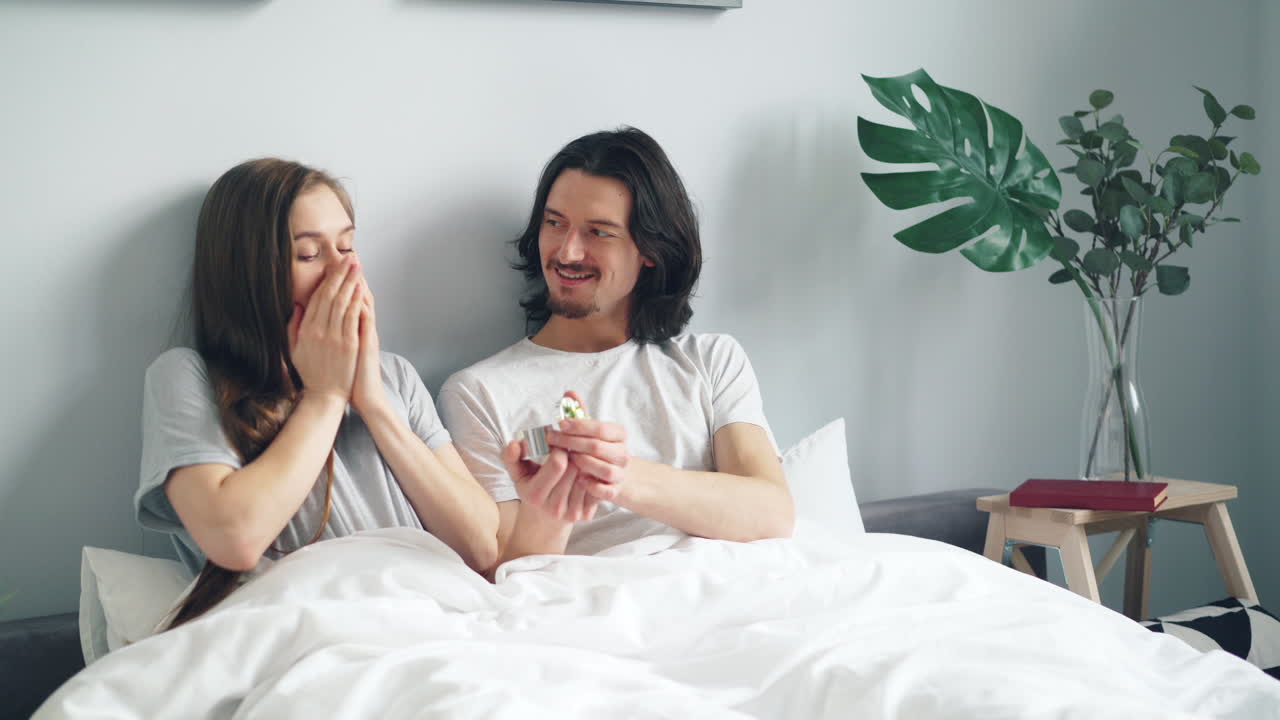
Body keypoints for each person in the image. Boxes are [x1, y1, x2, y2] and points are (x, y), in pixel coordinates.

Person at [137, 158, 498, 626]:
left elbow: (482, 545)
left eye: (347, 246)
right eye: (309, 255)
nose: (342, 272)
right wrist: (325, 397)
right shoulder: (186, 378)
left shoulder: (396, 378)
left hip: (432, 621)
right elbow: (235, 538)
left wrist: (373, 403)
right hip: (307, 633)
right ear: (248, 273)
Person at [438, 128, 793, 573]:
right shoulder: (479, 392)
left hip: (733, 589)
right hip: (598, 610)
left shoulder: (710, 361)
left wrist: (618, 475)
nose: (567, 251)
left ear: (649, 250)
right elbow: (509, 574)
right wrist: (552, 503)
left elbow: (772, 512)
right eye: (554, 223)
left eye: (598, 232)